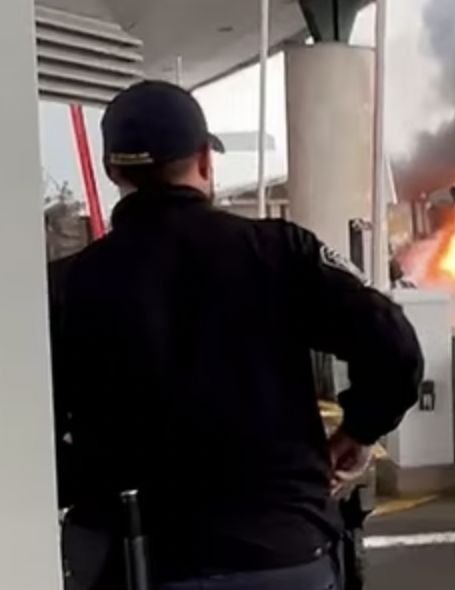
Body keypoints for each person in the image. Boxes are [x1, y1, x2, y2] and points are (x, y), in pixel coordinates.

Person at [49, 80, 424, 590]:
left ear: (112, 170)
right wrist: (357, 431)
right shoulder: (277, 251)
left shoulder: (69, 284)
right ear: (204, 160)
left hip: (140, 559)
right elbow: (392, 345)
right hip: (283, 552)